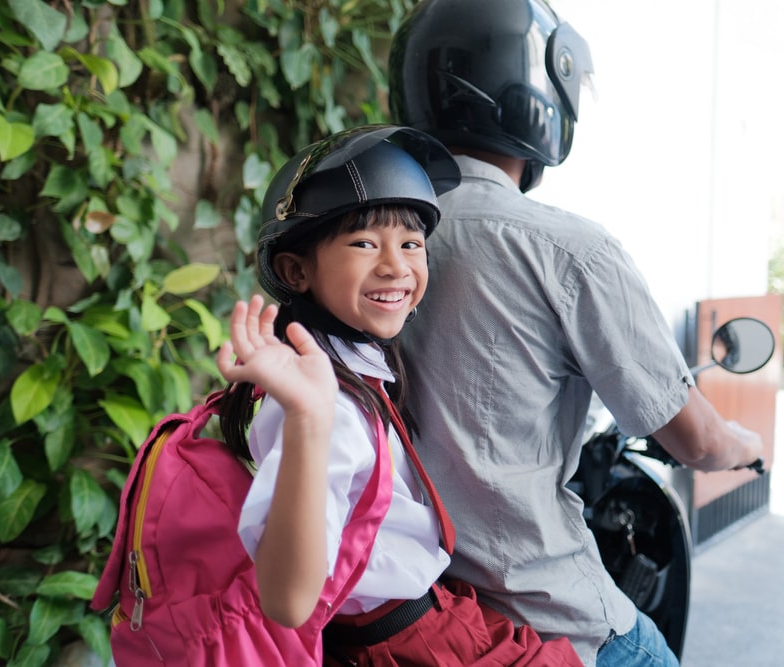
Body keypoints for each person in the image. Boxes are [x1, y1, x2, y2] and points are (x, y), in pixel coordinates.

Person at [388, 2, 766, 666]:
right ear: (536, 86)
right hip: (544, 612)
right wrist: (743, 445)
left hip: (418, 610)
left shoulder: (370, 247)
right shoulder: (569, 248)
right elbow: (696, 437)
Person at [215, 124, 584, 666]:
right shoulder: (325, 403)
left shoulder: (358, 366)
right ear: (296, 270)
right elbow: (289, 601)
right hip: (411, 643)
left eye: (411, 244)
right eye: (364, 243)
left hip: (434, 614)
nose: (396, 265)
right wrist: (309, 419)